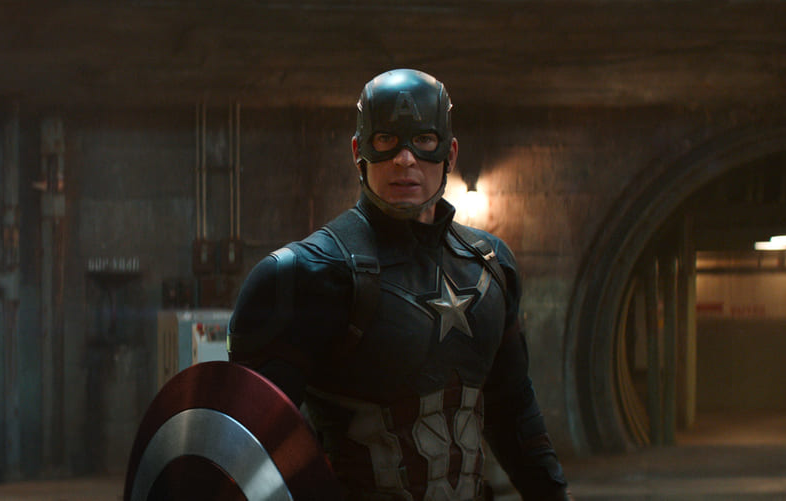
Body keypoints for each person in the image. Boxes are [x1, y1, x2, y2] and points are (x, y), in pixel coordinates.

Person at [227, 69, 570, 500]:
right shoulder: (305, 275)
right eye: (386, 139)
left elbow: (514, 412)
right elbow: (245, 448)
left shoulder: (490, 267)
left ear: (450, 153)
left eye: (424, 140)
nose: (405, 159)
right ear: (359, 151)